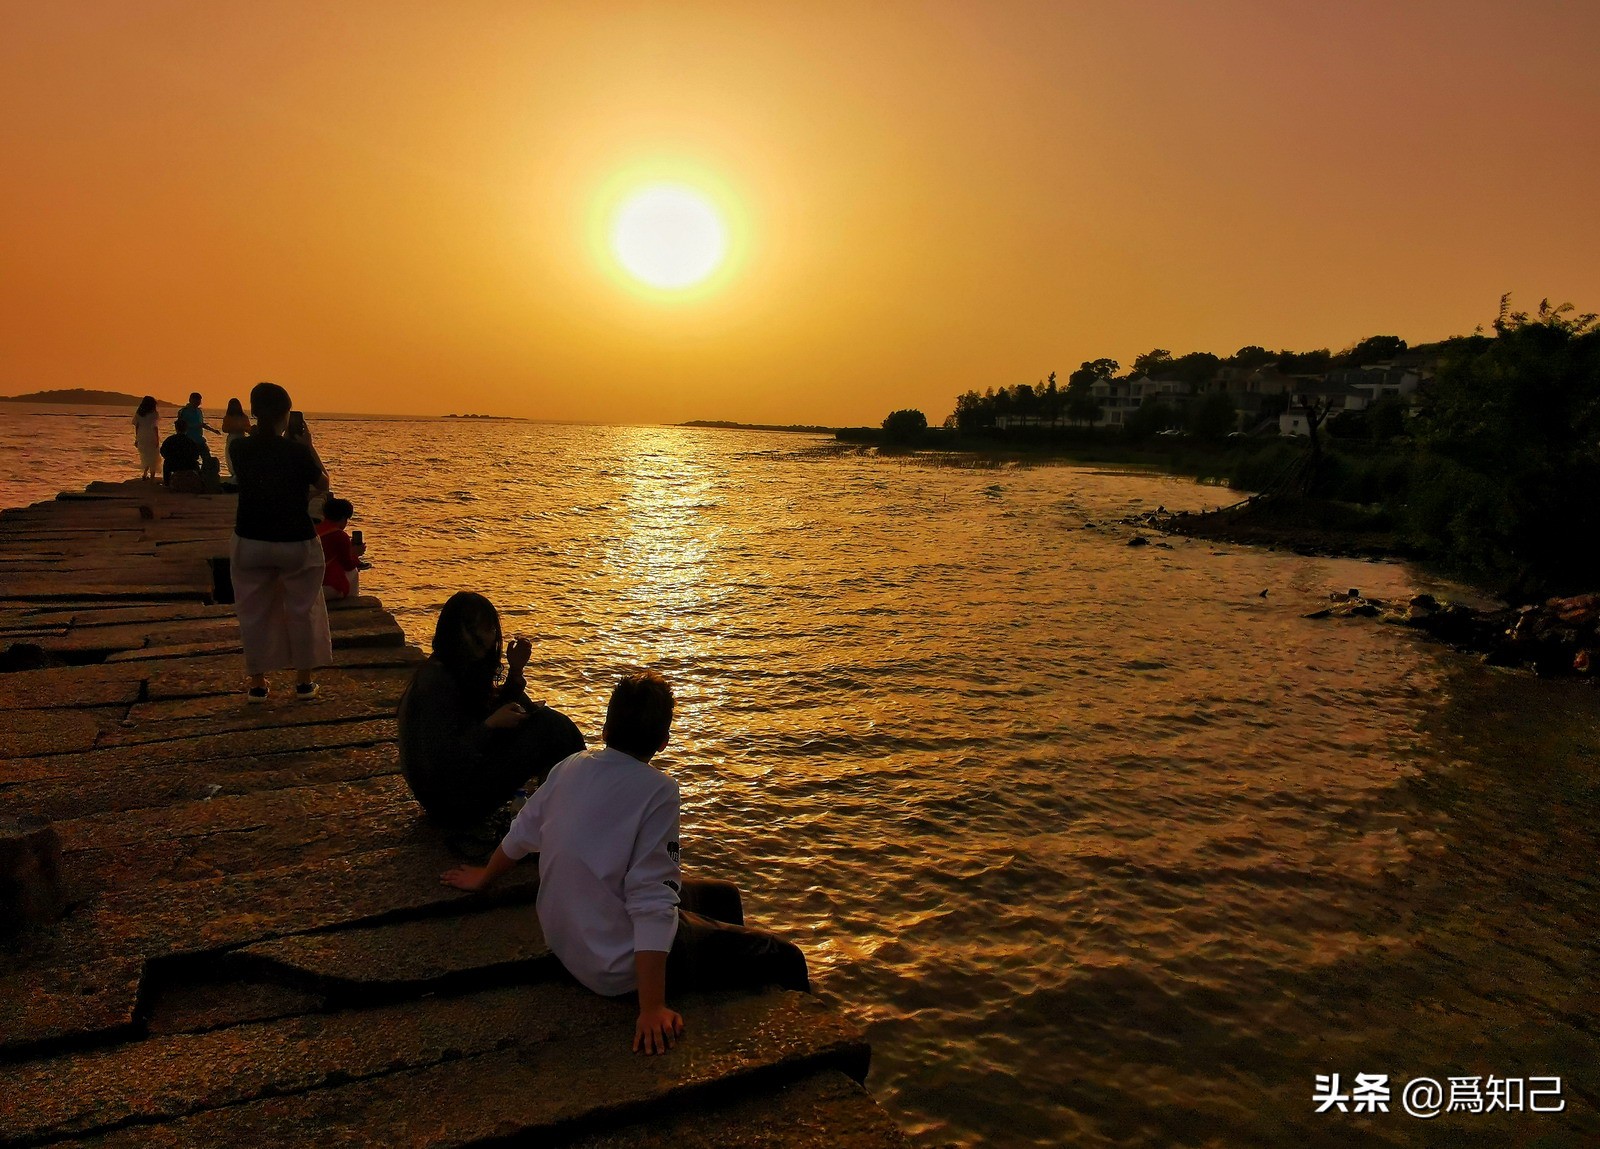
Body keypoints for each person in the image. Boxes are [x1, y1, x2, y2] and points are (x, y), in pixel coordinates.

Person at [441, 670, 810, 1056]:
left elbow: (522, 833)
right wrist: (651, 1008)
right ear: (663, 742)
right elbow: (651, 899)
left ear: (605, 729)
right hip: (613, 967)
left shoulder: (571, 766)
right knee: (785, 956)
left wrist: (485, 876)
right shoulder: (659, 790)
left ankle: (723, 982)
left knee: (724, 897)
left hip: (567, 942)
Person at [399, 593, 585, 835]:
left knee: (550, 724)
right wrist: (489, 725)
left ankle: (563, 812)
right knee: (552, 727)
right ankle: (571, 816)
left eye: (492, 629)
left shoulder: (452, 669)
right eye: (485, 629)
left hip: (455, 789)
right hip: (450, 803)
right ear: (461, 632)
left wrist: (515, 672)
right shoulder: (436, 683)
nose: (492, 638)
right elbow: (445, 758)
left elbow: (488, 711)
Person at [230, 382, 332, 703]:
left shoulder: (239, 448)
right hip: (295, 540)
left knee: (253, 611)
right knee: (304, 609)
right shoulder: (297, 451)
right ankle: (304, 682)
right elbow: (323, 484)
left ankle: (258, 684)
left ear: (254, 412)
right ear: (286, 414)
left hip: (251, 537)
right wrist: (308, 447)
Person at [316, 497, 364, 599]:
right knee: (354, 571)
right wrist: (355, 554)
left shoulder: (315, 530)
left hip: (311, 584)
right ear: (343, 518)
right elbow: (348, 565)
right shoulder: (339, 535)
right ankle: (353, 600)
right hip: (325, 588)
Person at [159, 416, 203, 491]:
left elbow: (163, 451)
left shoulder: (170, 440)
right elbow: (196, 455)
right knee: (196, 464)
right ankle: (200, 481)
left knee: (166, 463)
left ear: (176, 428)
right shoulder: (190, 441)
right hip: (188, 465)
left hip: (173, 464)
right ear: (186, 429)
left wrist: (170, 458)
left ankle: (167, 483)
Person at [177, 392, 219, 460]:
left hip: (199, 439)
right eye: (196, 400)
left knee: (207, 458)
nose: (198, 402)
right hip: (188, 440)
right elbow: (180, 426)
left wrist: (213, 430)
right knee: (190, 459)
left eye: (199, 400)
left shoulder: (199, 411)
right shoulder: (184, 411)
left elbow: (201, 424)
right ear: (190, 400)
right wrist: (196, 425)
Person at [220, 398, 252, 478]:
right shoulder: (228, 417)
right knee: (230, 456)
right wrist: (234, 428)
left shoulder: (244, 417)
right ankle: (233, 473)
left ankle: (240, 473)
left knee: (241, 456)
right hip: (232, 437)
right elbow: (224, 429)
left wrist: (243, 428)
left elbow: (248, 428)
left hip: (241, 437)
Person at [132, 396, 161, 481]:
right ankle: (152, 476)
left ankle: (145, 473)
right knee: (153, 456)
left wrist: (137, 438)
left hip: (141, 435)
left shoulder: (139, 413)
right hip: (151, 435)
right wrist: (157, 439)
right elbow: (155, 427)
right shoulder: (154, 414)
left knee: (145, 455)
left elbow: (137, 426)